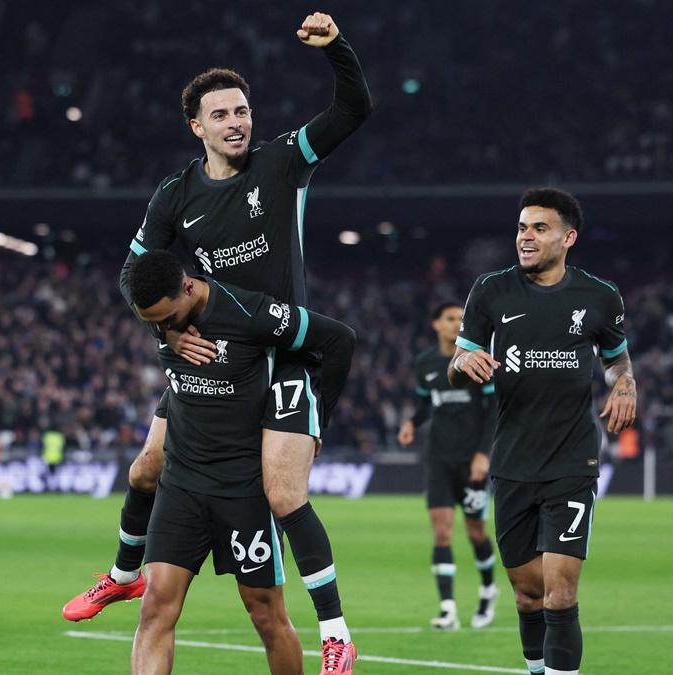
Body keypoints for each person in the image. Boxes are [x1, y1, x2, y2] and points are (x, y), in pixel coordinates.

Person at [64, 14, 370, 667]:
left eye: (243, 109)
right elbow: (135, 276)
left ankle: (337, 632)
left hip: (275, 354)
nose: (237, 121)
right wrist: (168, 334)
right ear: (196, 128)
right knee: (146, 466)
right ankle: (122, 574)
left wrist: (337, 49)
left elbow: (354, 108)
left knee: (281, 497)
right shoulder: (176, 194)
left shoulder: (283, 161)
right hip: (209, 360)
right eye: (222, 114)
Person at [125, 251, 357, 674]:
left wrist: (315, 421)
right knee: (155, 606)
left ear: (189, 287)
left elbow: (339, 338)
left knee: (266, 614)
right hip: (183, 479)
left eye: (168, 319)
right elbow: (141, 291)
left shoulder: (251, 313)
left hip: (244, 483)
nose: (162, 330)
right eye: (152, 323)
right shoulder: (163, 318)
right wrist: (167, 333)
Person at [447, 188, 637, 675]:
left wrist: (625, 385)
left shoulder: (598, 296)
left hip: (572, 461)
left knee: (561, 591)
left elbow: (616, 360)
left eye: (539, 228)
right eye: (521, 228)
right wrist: (464, 359)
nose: (525, 237)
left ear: (568, 237)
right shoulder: (491, 291)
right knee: (529, 594)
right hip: (512, 461)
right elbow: (456, 363)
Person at [397, 302, 499, 631]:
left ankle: (487, 592)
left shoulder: (476, 360)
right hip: (438, 459)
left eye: (461, 319)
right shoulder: (425, 363)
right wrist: (412, 421)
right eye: (450, 318)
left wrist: (484, 454)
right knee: (442, 533)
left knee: (475, 532)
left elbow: (492, 410)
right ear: (436, 324)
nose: (457, 323)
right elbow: (426, 402)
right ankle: (448, 609)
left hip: (471, 461)